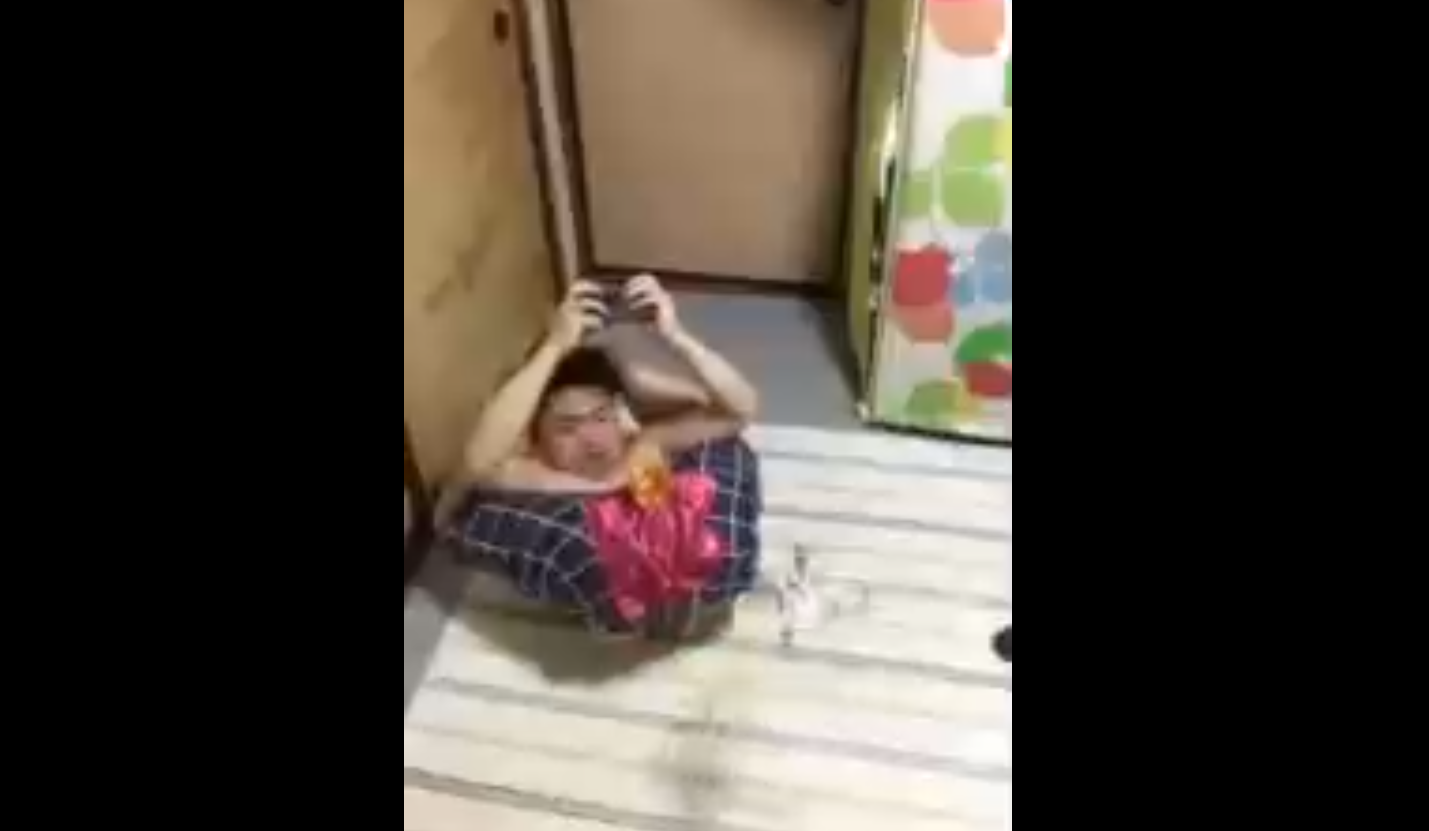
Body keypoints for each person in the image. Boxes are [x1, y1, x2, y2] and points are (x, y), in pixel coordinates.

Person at [442, 274, 763, 639]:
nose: (592, 439)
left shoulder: (641, 445)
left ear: (619, 415)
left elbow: (740, 410)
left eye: (600, 418)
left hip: (672, 568)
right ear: (535, 436)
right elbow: (478, 463)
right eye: (568, 428)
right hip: (587, 561)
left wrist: (676, 336)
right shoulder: (527, 470)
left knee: (718, 465)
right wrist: (554, 346)